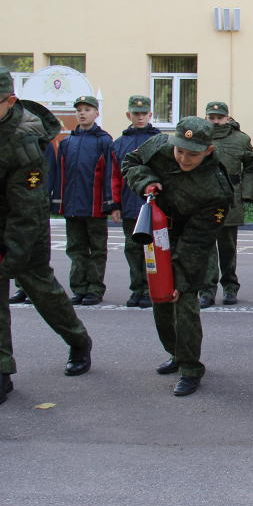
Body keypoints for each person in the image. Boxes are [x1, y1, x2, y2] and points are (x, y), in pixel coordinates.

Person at [0, 65, 93, 408]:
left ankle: (78, 340)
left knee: (41, 290)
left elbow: (27, 210)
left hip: (23, 224)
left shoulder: (25, 140)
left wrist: (11, 261)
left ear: (9, 101)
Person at [121, 117, 233, 397]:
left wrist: (180, 278)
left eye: (192, 154)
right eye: (180, 150)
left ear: (208, 150)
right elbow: (131, 162)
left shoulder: (216, 188)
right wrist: (146, 181)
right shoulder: (160, 145)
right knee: (160, 299)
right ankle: (175, 353)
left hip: (191, 241)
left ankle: (191, 368)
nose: (183, 158)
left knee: (183, 303)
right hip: (158, 232)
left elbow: (198, 240)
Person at [47, 95, 116, 306]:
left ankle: (95, 289)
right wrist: (58, 201)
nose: (82, 113)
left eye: (87, 109)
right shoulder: (67, 142)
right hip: (72, 206)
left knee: (97, 250)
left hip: (95, 207)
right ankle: (79, 288)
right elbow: (60, 173)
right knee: (76, 249)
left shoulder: (104, 141)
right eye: (79, 110)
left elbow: (110, 173)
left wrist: (110, 202)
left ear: (96, 113)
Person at [199, 102, 253, 308]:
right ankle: (206, 291)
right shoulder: (199, 137)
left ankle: (230, 287)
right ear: (206, 118)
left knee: (228, 248)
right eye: (212, 117)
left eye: (219, 117)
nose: (215, 121)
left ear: (227, 118)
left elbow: (252, 166)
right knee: (206, 248)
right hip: (205, 198)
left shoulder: (241, 139)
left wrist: (247, 193)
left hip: (230, 198)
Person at [111, 95, 161, 308]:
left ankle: (152, 289)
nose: (140, 117)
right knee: (132, 250)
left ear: (150, 115)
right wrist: (115, 204)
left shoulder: (160, 140)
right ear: (128, 115)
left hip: (154, 204)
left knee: (152, 250)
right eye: (136, 113)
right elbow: (114, 176)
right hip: (129, 204)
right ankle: (137, 289)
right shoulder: (119, 144)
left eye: (143, 113)